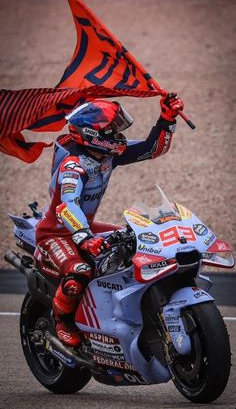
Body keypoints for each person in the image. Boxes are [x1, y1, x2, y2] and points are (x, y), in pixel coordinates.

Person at [34, 92, 184, 347]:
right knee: (79, 271)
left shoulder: (106, 154)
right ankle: (63, 320)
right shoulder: (73, 165)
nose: (118, 135)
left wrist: (167, 119)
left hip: (86, 227)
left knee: (136, 241)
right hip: (56, 233)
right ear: (93, 134)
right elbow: (66, 206)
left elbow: (152, 149)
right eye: (112, 130)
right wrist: (84, 238)